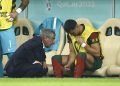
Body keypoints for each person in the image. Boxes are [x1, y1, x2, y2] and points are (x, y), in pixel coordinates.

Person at [0, 0, 29, 77]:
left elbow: (26, 1)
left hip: (6, 26)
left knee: (12, 55)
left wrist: (16, 13)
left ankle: (17, 78)